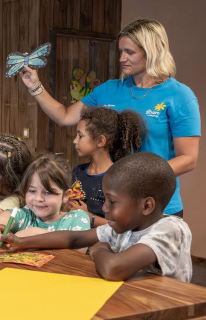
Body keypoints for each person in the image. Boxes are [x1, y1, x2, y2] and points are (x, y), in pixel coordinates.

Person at [20, 18, 200, 217]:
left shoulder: (180, 95)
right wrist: (35, 86)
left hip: (159, 207)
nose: (122, 58)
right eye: (121, 51)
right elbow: (64, 116)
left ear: (152, 52)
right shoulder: (109, 89)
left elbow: (188, 159)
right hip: (113, 204)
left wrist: (135, 177)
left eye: (130, 52)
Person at [0, 152, 192, 282]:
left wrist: (99, 250)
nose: (104, 208)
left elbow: (113, 268)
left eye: (112, 202)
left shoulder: (170, 229)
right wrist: (21, 242)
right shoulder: (125, 225)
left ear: (146, 206)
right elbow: (73, 238)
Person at [0, 153, 90, 254]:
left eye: (48, 193)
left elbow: (82, 248)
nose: (39, 198)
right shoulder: (24, 216)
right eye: (32, 191)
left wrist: (35, 234)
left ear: (66, 196)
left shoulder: (77, 218)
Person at [69, 107, 146, 227]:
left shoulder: (120, 178)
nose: (75, 141)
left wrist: (89, 217)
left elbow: (124, 225)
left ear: (100, 141)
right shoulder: (77, 171)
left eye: (80, 136)